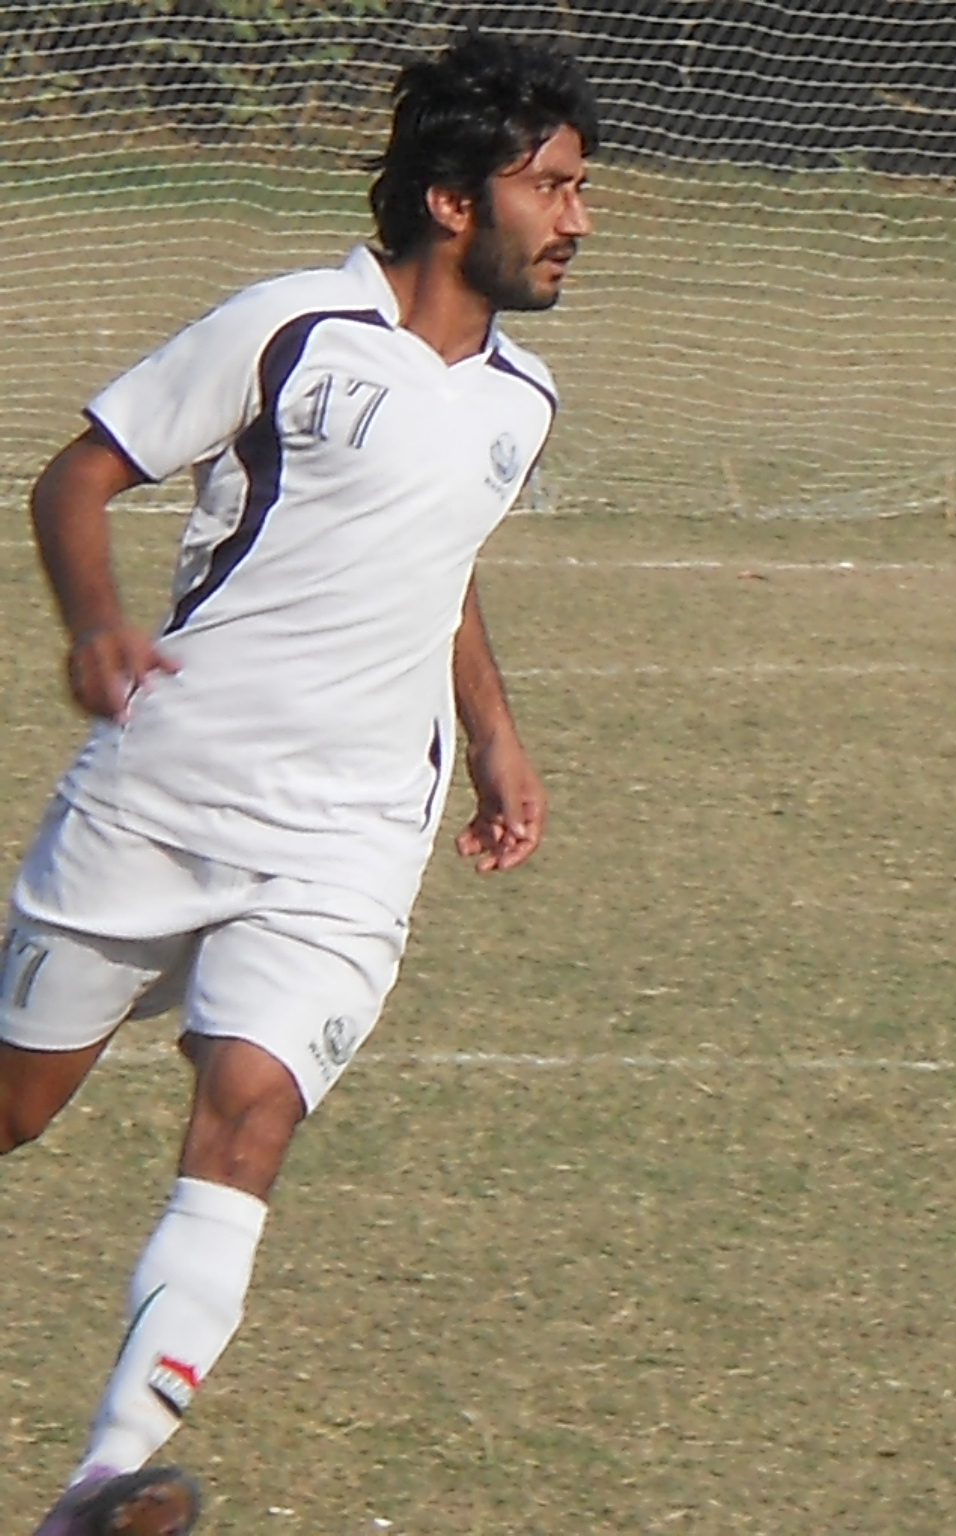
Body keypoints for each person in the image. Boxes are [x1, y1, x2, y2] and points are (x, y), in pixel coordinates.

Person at [1, 32, 598, 1535]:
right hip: (164, 794)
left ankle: (102, 1482)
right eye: (550, 187)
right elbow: (77, 477)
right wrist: (95, 627)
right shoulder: (290, 328)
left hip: (350, 836)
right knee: (14, 1107)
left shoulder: (522, 400)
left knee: (251, 1107)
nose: (577, 220)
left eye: (580, 189)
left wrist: (496, 735)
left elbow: (437, 568)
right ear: (454, 201)